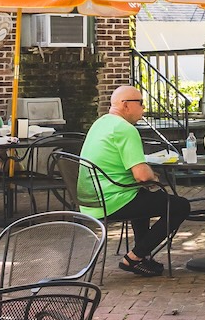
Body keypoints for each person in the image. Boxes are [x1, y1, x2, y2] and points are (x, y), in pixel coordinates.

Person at [77, 85, 192, 277]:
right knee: (179, 206)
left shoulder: (101, 123)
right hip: (113, 201)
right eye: (140, 103)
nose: (143, 108)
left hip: (90, 201)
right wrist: (154, 177)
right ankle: (134, 258)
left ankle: (142, 257)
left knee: (143, 195)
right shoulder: (125, 129)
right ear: (125, 105)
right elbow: (142, 176)